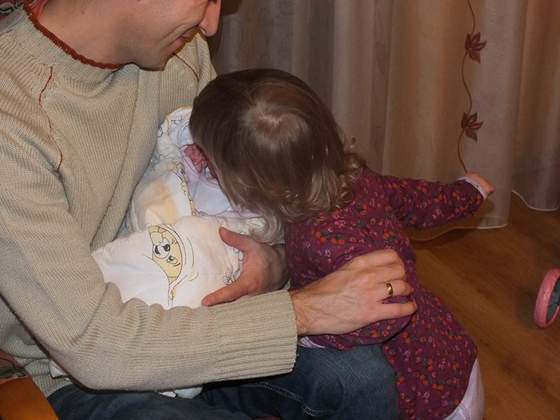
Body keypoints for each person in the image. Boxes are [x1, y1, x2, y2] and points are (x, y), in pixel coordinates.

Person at [0, 1, 416, 419]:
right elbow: (95, 346)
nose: (212, 25)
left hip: (197, 315)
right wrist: (302, 311)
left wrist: (275, 263)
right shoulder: (12, 121)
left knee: (362, 379)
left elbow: (245, 202)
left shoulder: (180, 51)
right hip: (64, 372)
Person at [188, 68, 495, 419]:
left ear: (252, 184)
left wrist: (312, 334)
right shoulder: (352, 178)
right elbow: (415, 199)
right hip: (451, 353)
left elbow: (389, 311)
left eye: (212, 162)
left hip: (427, 392)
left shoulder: (324, 239)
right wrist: (466, 193)